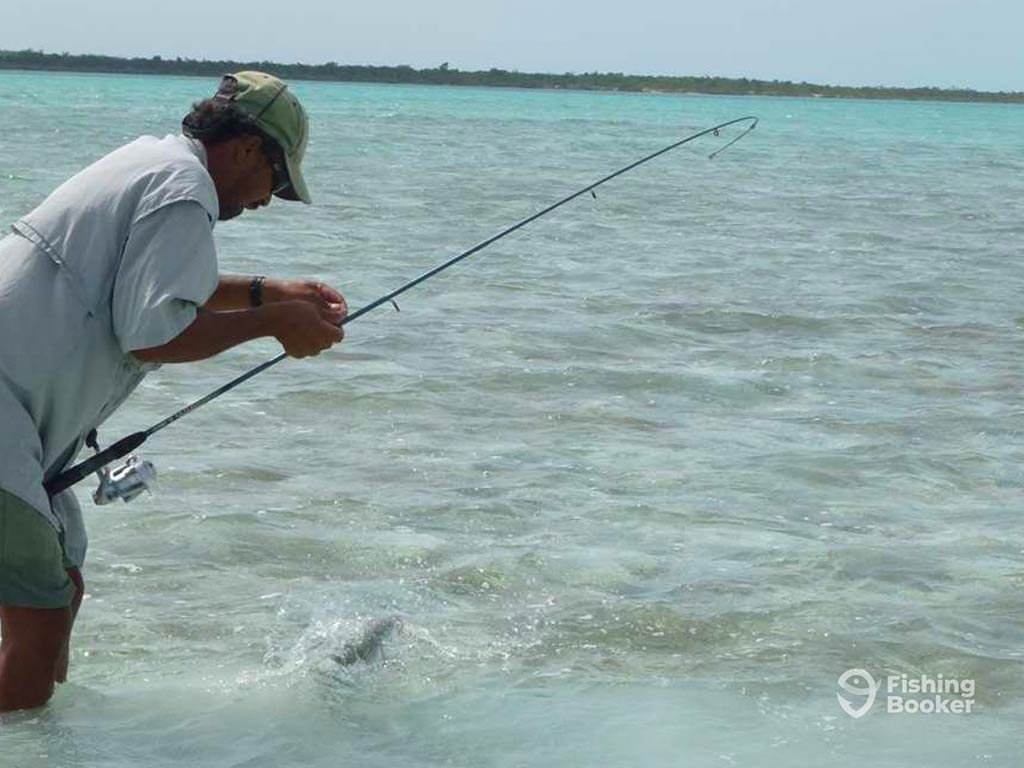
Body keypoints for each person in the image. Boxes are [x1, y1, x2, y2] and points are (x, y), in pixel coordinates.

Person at [0, 71, 347, 711]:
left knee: (62, 586)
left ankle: (44, 746)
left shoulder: (152, 161)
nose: (271, 198)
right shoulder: (185, 190)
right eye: (277, 179)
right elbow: (150, 333)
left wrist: (271, 291)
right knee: (39, 619)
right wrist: (272, 324)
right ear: (246, 148)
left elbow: (153, 282)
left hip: (20, 426)